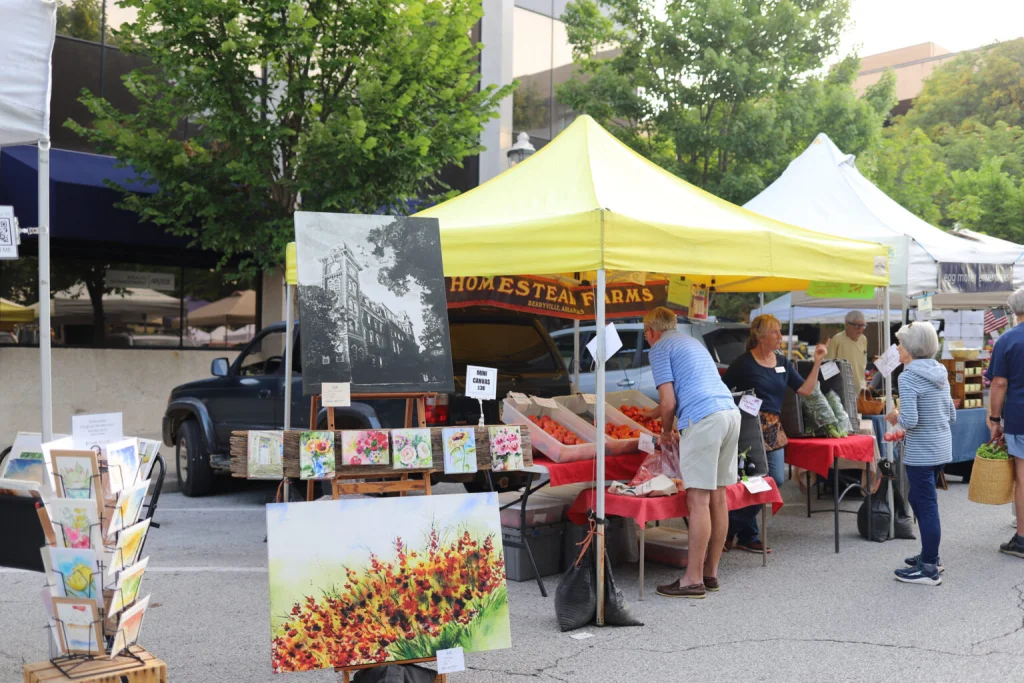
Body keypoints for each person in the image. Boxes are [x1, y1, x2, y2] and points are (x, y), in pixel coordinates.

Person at [643, 307, 740, 599]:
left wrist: (664, 431)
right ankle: (710, 573)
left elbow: (669, 401)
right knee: (718, 497)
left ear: (651, 332)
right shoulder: (691, 342)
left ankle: (692, 579)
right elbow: (684, 392)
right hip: (729, 414)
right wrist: (651, 416)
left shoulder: (659, 348)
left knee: (697, 500)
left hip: (703, 419)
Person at [721, 314, 828, 553]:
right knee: (752, 480)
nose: (780, 336)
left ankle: (729, 528)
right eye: (775, 332)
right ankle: (749, 535)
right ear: (760, 337)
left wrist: (818, 361)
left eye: (780, 331)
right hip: (748, 430)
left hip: (773, 429)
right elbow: (722, 390)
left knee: (775, 479)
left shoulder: (783, 362)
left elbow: (805, 390)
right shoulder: (743, 363)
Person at [886, 321, 955, 584]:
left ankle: (928, 568)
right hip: (941, 446)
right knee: (920, 499)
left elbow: (911, 420)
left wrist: (896, 417)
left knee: (925, 506)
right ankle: (931, 555)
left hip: (921, 452)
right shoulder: (940, 370)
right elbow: (951, 412)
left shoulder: (908, 375)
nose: (898, 348)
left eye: (900, 343)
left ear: (911, 348)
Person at [987, 287, 1024, 558]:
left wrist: (994, 419)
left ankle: (1022, 538)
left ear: (1013, 311)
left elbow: (999, 383)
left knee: (1023, 480)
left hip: (1019, 417)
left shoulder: (1008, 340)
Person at [827, 311, 869, 390]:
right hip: (843, 389)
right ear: (847, 324)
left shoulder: (863, 339)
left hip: (861, 388)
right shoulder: (836, 340)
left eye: (863, 325)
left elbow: (863, 363)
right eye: (857, 325)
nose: (860, 329)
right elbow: (828, 368)